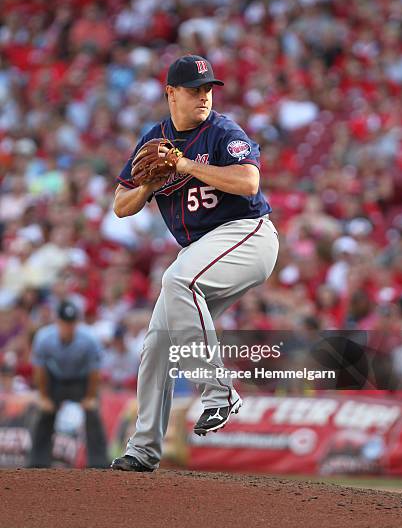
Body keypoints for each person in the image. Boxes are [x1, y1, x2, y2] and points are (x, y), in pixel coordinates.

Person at [111, 55, 279, 472]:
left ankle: (219, 391)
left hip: (247, 234)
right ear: (170, 93)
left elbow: (249, 181)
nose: (204, 96)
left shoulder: (222, 131)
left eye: (208, 89)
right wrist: (150, 183)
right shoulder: (154, 140)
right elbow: (120, 205)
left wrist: (184, 165)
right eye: (194, 89)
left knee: (178, 279)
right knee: (157, 343)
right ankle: (144, 448)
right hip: (201, 251)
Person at [28, 300, 108, 468]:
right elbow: (39, 369)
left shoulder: (89, 339)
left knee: (92, 412)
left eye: (71, 323)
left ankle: (99, 464)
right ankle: (37, 464)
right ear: (58, 322)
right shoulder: (44, 337)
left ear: (76, 323)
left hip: (81, 380)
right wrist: (43, 396)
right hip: (54, 380)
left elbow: (95, 372)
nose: (68, 327)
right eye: (65, 323)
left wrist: (90, 397)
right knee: (44, 414)